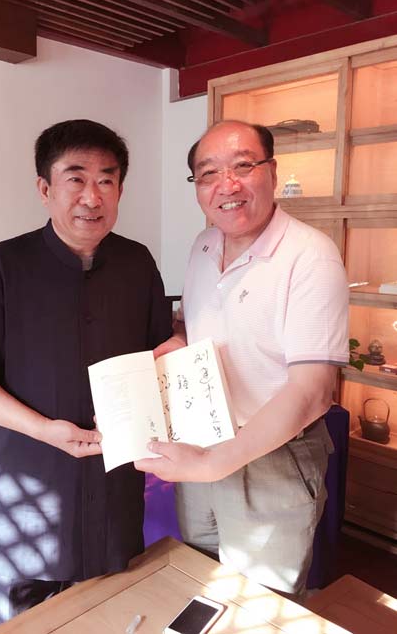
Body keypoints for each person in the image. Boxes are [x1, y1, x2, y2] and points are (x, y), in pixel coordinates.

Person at [0, 119, 172, 629]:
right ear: (45, 189)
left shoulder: (137, 263)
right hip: (26, 505)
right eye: (76, 178)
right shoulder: (4, 265)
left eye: (106, 180)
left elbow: (160, 350)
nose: (92, 196)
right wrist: (44, 430)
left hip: (112, 501)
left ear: (121, 190)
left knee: (110, 618)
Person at [135, 120, 348, 600]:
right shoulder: (203, 245)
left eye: (243, 166)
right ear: (197, 186)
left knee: (259, 602)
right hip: (203, 441)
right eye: (208, 173)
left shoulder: (311, 256)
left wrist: (214, 463)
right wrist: (176, 344)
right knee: (200, 580)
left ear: (272, 171)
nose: (227, 185)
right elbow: (192, 323)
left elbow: (312, 392)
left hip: (275, 455)